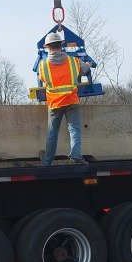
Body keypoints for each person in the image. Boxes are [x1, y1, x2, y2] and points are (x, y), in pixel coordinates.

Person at [39, 32, 92, 166]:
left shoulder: (43, 65)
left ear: (48, 48)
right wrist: (89, 65)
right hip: (71, 101)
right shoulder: (73, 61)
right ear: (61, 45)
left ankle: (47, 163)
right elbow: (85, 69)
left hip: (54, 104)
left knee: (52, 134)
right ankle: (76, 155)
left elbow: (43, 79)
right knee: (74, 129)